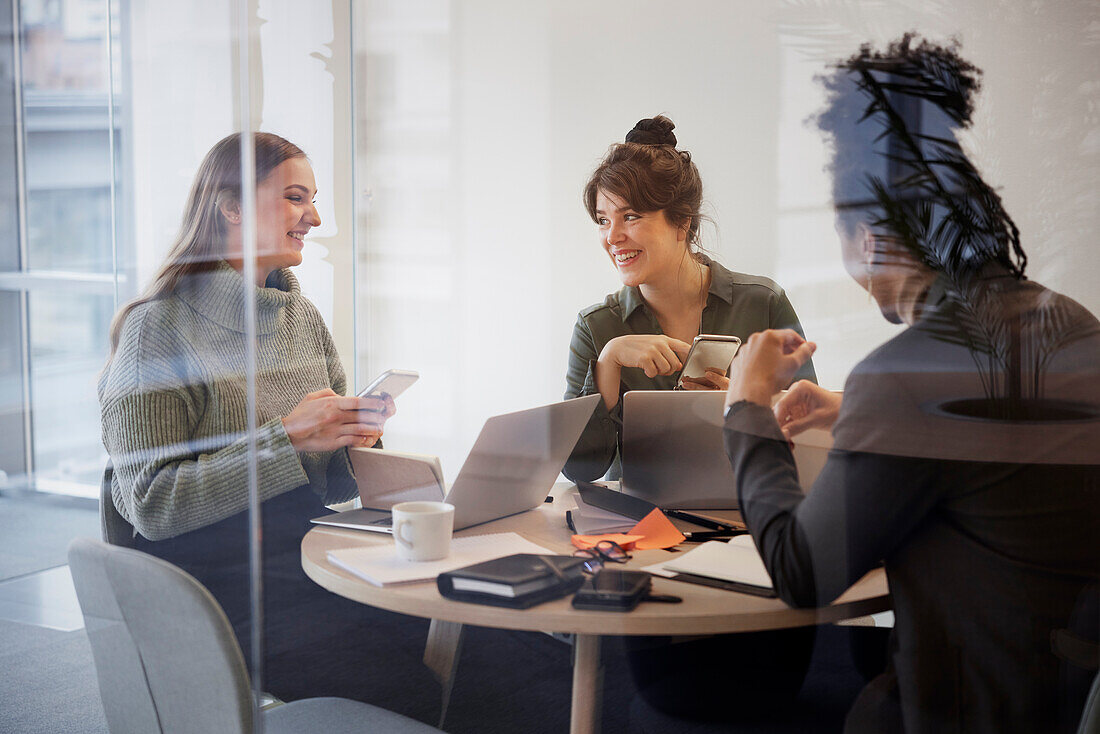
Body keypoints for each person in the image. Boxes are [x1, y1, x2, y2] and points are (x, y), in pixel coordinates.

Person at [723, 36, 1100, 733]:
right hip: (1065, 696)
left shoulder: (910, 374)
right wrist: (853, 407)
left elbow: (802, 573)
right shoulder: (1068, 322)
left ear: (868, 240)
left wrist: (745, 407)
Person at [98, 132, 403, 700]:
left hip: (299, 548)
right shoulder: (158, 326)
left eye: (312, 199)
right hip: (217, 580)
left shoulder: (299, 316)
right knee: (412, 671)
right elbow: (152, 505)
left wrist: (355, 438)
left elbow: (332, 486)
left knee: (461, 634)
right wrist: (287, 439)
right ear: (231, 206)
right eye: (295, 197)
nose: (313, 216)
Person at [564, 115, 815, 482]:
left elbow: (812, 436)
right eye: (603, 220)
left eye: (630, 216)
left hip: (747, 522)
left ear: (682, 223)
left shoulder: (763, 304)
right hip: (639, 528)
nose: (612, 237)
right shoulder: (596, 327)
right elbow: (580, 470)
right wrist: (609, 362)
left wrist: (746, 404)